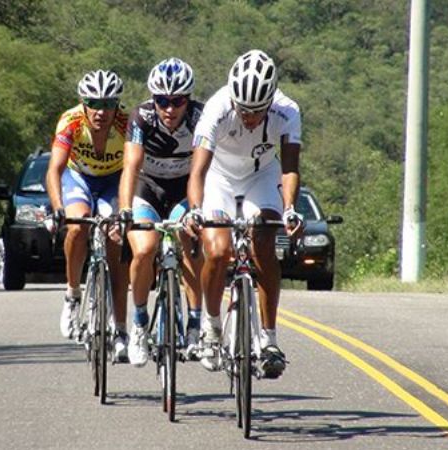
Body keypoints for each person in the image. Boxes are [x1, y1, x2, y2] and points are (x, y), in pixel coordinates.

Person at [185, 50, 304, 379]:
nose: (249, 117)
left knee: (264, 240)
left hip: (261, 176)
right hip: (218, 178)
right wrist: (195, 210)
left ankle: (269, 340)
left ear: (271, 101)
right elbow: (197, 172)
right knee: (219, 248)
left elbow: (290, 167)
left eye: (256, 111)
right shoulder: (217, 108)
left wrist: (291, 208)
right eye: (243, 109)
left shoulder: (288, 111)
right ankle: (210, 328)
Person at [117, 58, 204, 367]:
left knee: (191, 242)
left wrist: (198, 210)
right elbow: (130, 166)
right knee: (144, 249)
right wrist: (125, 210)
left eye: (177, 100)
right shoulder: (141, 118)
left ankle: (195, 325)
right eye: (162, 101)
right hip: (147, 188)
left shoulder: (198, 117)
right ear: (153, 99)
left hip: (183, 190)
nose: (169, 108)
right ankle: (139, 324)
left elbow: (206, 169)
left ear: (188, 99)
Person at [46, 69, 131, 361]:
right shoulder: (70, 122)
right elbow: (55, 169)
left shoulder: (126, 124)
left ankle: (120, 328)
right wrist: (57, 208)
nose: (101, 111)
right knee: (77, 226)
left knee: (117, 239)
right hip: (78, 177)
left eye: (109, 104)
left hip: (112, 182)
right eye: (94, 102)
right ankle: (72, 294)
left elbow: (135, 168)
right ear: (83, 103)